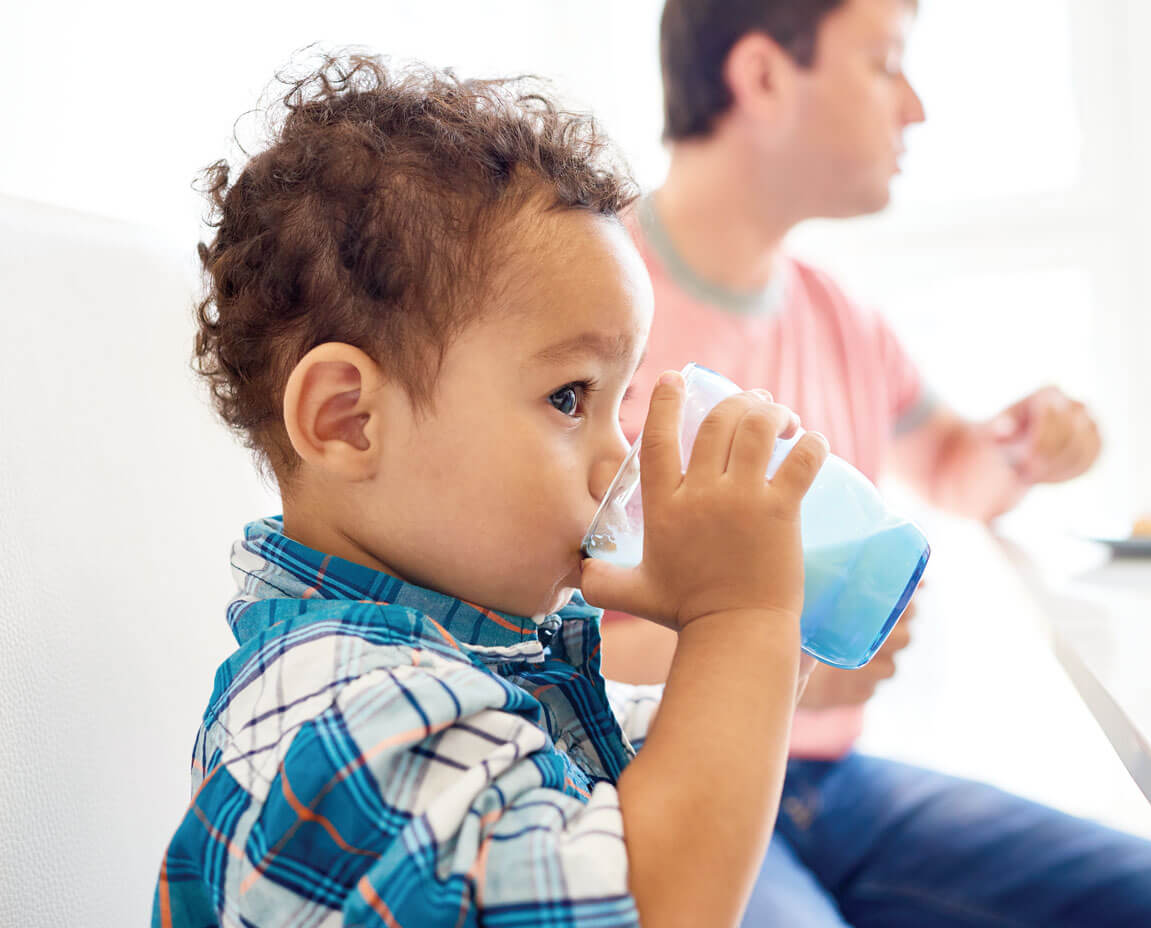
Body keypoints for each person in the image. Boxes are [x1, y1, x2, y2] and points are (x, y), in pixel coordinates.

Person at [152, 53, 835, 927]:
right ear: (348, 422)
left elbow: (640, 784)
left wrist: (759, 651)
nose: (614, 461)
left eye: (615, 403)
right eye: (567, 399)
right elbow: (655, 904)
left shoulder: (474, 653)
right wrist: (739, 622)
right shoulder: (344, 717)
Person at [598, 0, 1151, 925]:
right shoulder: (592, 314)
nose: (914, 107)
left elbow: (957, 466)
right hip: (663, 779)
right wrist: (770, 662)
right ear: (761, 77)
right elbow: (535, 632)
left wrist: (1028, 446)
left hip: (831, 783)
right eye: (885, 64)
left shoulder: (839, 315)